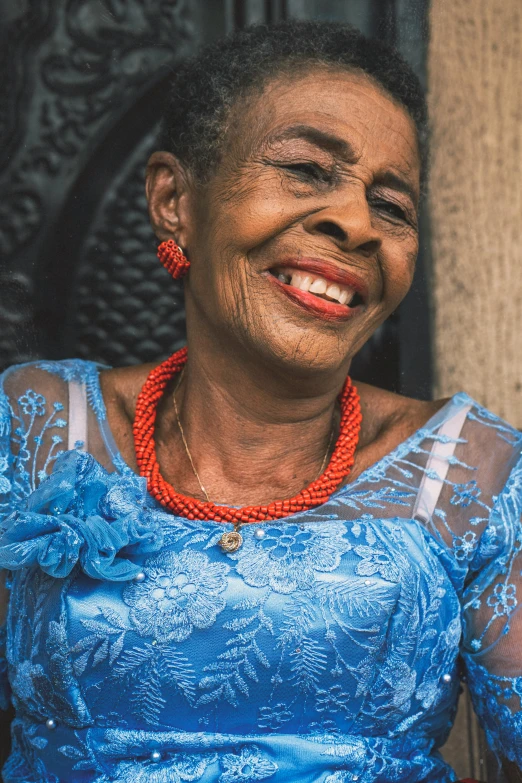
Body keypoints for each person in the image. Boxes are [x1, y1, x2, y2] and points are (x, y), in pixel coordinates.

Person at [0, 19, 520, 783]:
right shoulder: (37, 426)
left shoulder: (471, 472)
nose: (355, 222)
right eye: (308, 169)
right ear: (174, 198)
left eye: (393, 205)